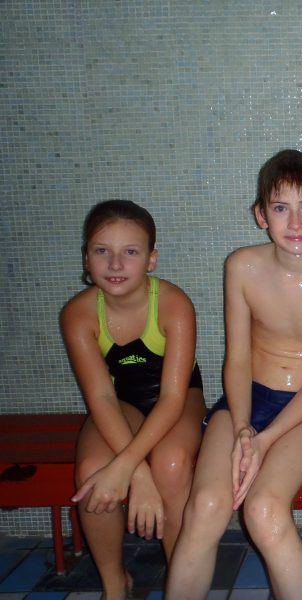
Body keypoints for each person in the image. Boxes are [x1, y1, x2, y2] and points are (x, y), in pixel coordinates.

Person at [166, 149, 302, 599]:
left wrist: (265, 439)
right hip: (245, 399)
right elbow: (237, 359)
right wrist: (242, 428)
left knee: (265, 510)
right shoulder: (242, 267)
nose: (295, 223)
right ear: (261, 215)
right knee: (206, 506)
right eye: (280, 208)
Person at [63, 200, 206, 600]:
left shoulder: (173, 304)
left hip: (178, 400)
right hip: (119, 404)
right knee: (93, 470)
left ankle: (181, 582)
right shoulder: (78, 314)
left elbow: (173, 397)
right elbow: (102, 398)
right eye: (102, 251)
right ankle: (115, 584)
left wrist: (131, 465)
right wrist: (137, 474)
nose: (115, 264)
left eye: (130, 252)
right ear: (86, 258)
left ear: (150, 259)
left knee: (171, 465)